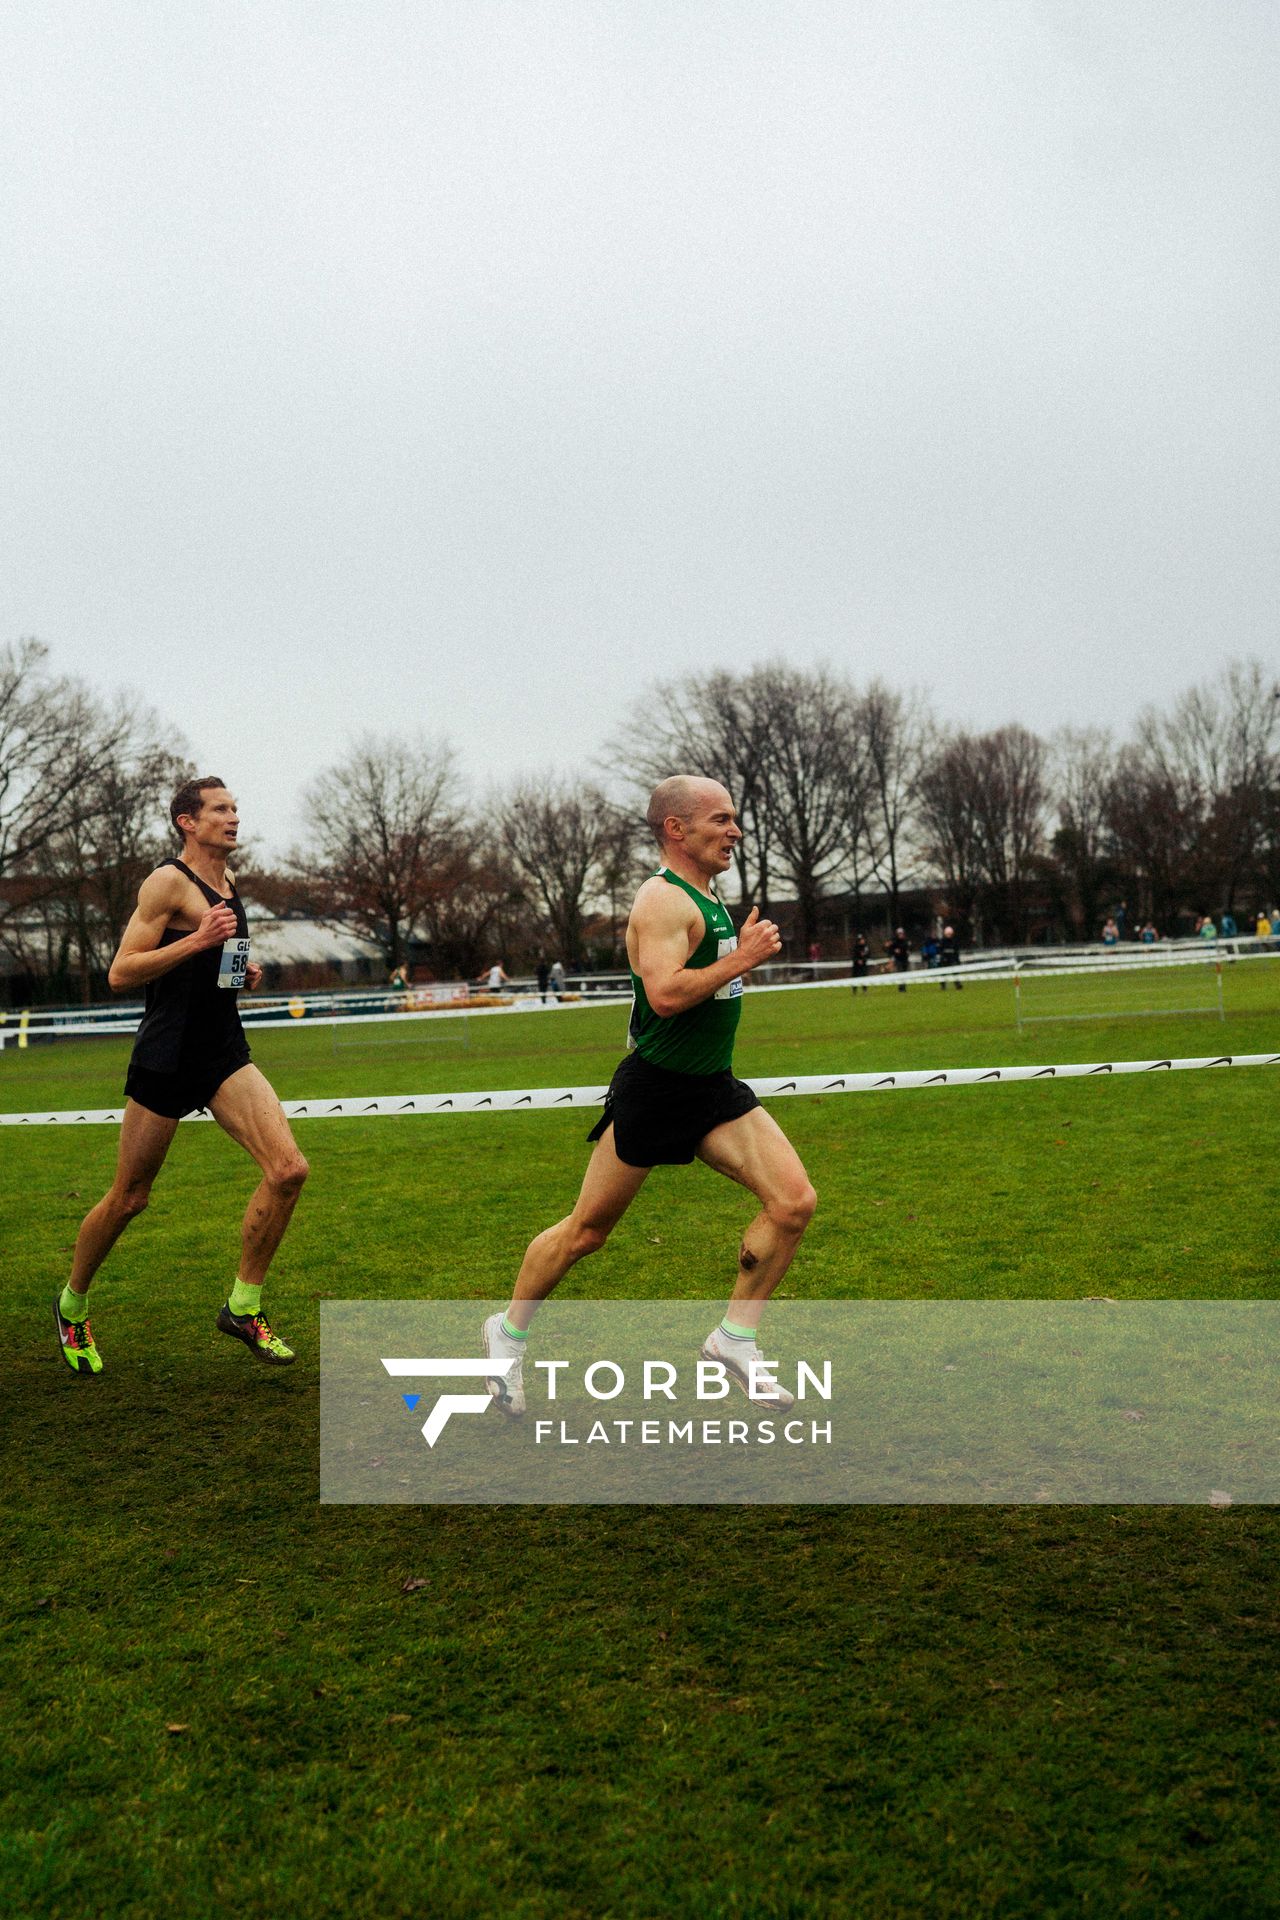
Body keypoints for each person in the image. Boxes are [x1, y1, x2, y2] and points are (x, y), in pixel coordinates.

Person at [481, 776, 816, 1415]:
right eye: (721, 820)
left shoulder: (708, 896)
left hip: (711, 1086)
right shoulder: (661, 901)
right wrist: (740, 960)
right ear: (676, 829)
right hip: (657, 1088)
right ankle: (509, 1331)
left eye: (734, 819)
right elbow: (663, 996)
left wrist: (731, 955)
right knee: (586, 1233)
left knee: (794, 1201)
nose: (735, 831)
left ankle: (734, 1339)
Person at [54, 778, 307, 1377]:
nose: (234, 817)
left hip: (222, 1051)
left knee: (289, 1170)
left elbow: (219, 964)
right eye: (221, 809)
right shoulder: (167, 881)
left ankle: (243, 1307)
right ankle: (72, 1304)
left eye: (236, 808)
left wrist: (241, 973)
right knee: (130, 1198)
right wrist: (198, 940)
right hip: (166, 1056)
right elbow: (121, 973)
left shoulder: (230, 882)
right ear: (187, 822)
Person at [938, 924, 963, 988]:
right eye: (947, 934)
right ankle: (943, 985)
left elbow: (956, 952)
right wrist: (942, 958)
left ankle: (957, 984)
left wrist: (957, 960)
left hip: (952, 959)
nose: (949, 935)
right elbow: (940, 951)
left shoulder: (954, 941)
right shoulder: (942, 941)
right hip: (944, 959)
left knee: (955, 972)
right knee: (943, 973)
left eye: (950, 934)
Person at [887, 927, 910, 991]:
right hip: (898, 959)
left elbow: (908, 948)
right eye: (899, 934)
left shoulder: (906, 941)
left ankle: (904, 987)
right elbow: (890, 950)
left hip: (905, 959)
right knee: (900, 972)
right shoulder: (894, 941)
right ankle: (901, 987)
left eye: (901, 933)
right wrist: (894, 951)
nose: (901, 935)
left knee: (904, 973)